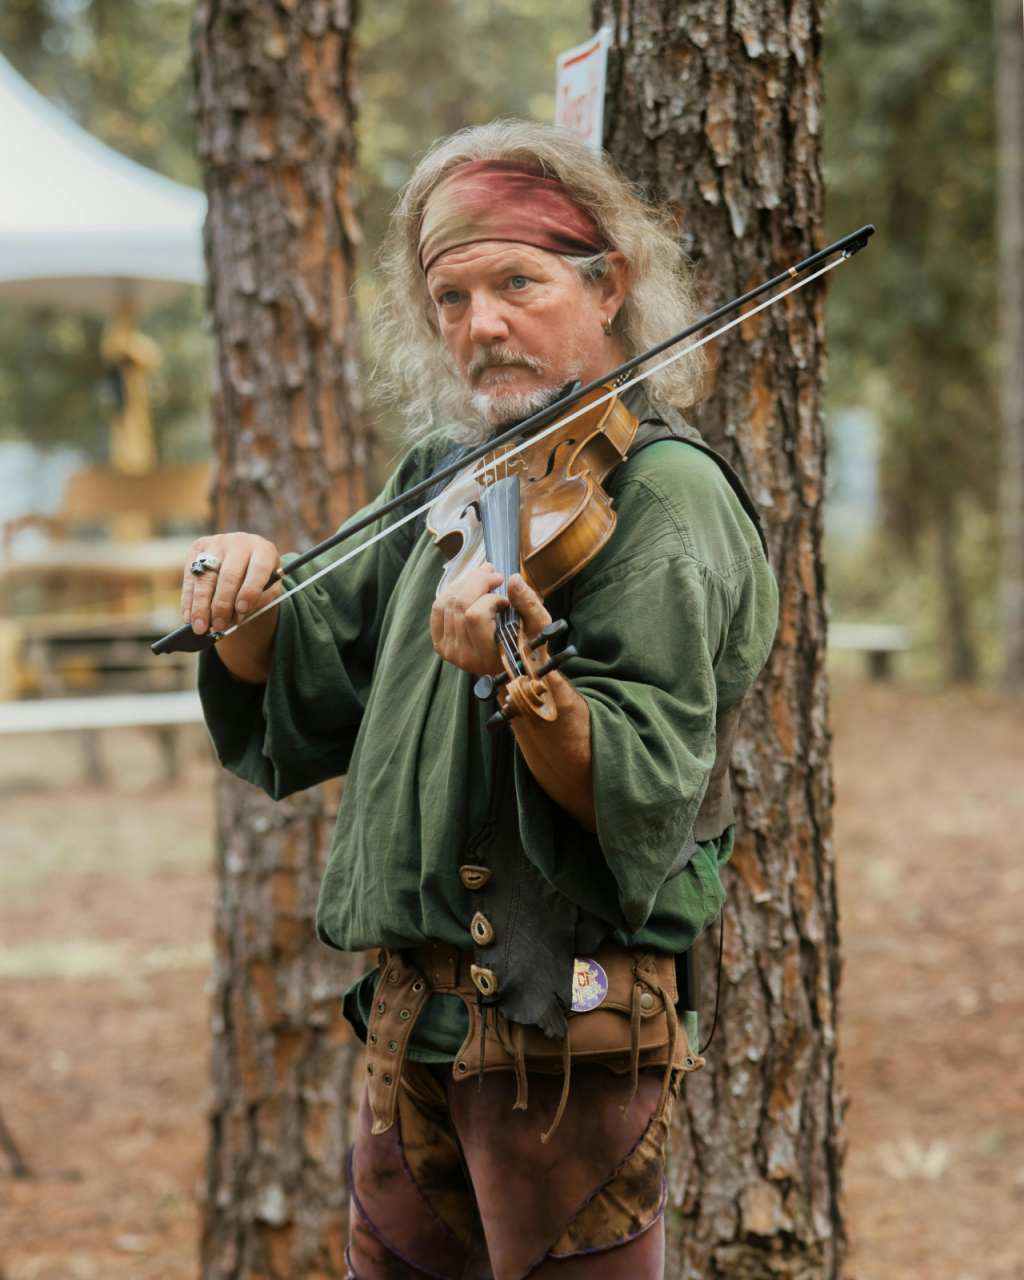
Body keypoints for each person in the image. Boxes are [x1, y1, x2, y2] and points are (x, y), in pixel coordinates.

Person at [187, 120, 779, 1280]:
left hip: (563, 1044)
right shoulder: (446, 477)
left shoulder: (664, 498)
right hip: (417, 1026)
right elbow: (314, 683)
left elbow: (643, 784)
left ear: (608, 287)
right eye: (451, 297)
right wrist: (244, 601)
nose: (482, 324)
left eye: (519, 281)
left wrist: (517, 678)